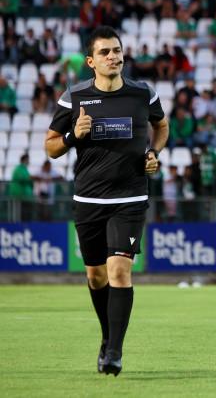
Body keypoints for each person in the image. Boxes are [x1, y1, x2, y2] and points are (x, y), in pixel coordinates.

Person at [45, 26, 169, 377]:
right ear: (91, 61)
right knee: (97, 276)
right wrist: (73, 135)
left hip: (131, 198)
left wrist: (153, 153)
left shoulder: (143, 93)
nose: (113, 57)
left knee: (119, 270)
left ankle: (114, 351)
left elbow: (162, 126)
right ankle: (106, 336)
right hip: (88, 199)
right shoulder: (74, 97)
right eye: (105, 52)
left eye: (117, 50)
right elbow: (51, 147)